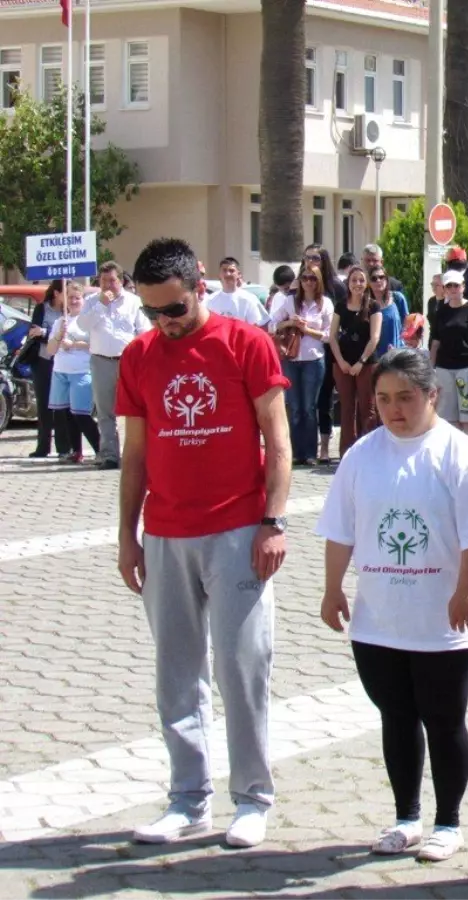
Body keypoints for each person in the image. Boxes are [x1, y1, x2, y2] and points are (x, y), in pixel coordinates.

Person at [115, 237, 291, 849]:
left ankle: (252, 798)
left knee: (242, 667)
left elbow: (280, 440)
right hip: (165, 534)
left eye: (173, 309)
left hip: (239, 530)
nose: (164, 323)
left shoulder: (247, 344)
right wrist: (127, 539)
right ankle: (188, 799)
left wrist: (274, 523)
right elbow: (134, 456)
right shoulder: (138, 357)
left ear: (199, 287)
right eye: (152, 312)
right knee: (177, 672)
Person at [317, 348, 468, 862]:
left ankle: (448, 822)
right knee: (396, 717)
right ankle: (406, 817)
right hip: (378, 621)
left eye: (405, 398)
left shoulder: (460, 455)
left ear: (432, 395)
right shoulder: (361, 455)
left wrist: (464, 589)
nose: (393, 409)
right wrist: (332, 588)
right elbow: (340, 530)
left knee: (444, 718)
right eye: (383, 398)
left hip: (442, 620)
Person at [76, 261, 150, 469]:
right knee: (105, 411)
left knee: (136, 409)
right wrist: (101, 305)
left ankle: (139, 454)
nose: (108, 285)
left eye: (112, 280)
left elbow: (143, 331)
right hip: (101, 361)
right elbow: (82, 326)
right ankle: (109, 455)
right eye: (104, 281)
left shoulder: (134, 302)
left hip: (128, 362)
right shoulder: (92, 302)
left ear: (121, 280)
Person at [270, 265, 334, 465]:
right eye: (305, 278)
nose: (308, 282)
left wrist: (306, 329)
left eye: (313, 278)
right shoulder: (290, 302)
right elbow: (272, 324)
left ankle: (310, 453)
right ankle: (296, 453)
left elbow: (328, 335)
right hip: (292, 359)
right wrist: (290, 323)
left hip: (313, 360)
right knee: (295, 407)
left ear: (319, 282)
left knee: (309, 407)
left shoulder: (325, 304)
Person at [329, 266, 383, 455]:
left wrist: (361, 361)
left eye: (361, 280)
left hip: (366, 364)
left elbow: (374, 337)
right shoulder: (341, 305)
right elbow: (332, 336)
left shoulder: (374, 306)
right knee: (346, 409)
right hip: (343, 364)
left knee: (368, 409)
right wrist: (341, 361)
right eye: (354, 280)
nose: (357, 284)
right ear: (348, 283)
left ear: (366, 283)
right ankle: (346, 453)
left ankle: (370, 452)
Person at [46, 282, 101, 463]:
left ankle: (101, 449)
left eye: (77, 297)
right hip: (60, 371)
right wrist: (58, 336)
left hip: (81, 371)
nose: (74, 301)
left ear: (83, 299)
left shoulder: (87, 321)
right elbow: (50, 350)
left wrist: (75, 345)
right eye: (70, 297)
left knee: (81, 414)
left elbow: (96, 345)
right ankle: (76, 451)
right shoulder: (60, 321)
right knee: (66, 413)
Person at [429, 269, 468, 439]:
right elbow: (435, 342)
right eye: (449, 286)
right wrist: (431, 369)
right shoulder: (441, 312)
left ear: (463, 287)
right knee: (448, 416)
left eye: (456, 285)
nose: (453, 289)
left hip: (467, 368)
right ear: (444, 289)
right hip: (444, 369)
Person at [304, 245, 347, 463]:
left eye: (315, 257)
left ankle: (324, 447)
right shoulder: (300, 284)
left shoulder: (336, 287)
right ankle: (306, 446)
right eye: (307, 257)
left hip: (329, 350)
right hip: (303, 353)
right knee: (305, 401)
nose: (311, 261)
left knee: (325, 398)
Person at [27, 280, 70, 459]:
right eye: (66, 293)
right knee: (44, 406)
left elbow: (66, 335)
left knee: (61, 406)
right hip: (43, 362)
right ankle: (43, 446)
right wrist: (50, 334)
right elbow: (34, 333)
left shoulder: (69, 312)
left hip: (63, 363)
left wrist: (46, 333)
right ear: (56, 293)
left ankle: (63, 447)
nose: (70, 298)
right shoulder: (42, 309)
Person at [207, 257, 269, 326]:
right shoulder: (210, 300)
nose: (228, 274)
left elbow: (258, 326)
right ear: (219, 275)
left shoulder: (249, 299)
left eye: (231, 271)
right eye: (224, 270)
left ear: (238, 274)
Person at [368, 266, 403, 358]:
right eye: (374, 279)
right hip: (375, 358)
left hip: (396, 355)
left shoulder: (397, 298)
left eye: (381, 277)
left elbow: (406, 325)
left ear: (387, 279)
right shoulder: (367, 305)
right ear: (369, 283)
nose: (378, 281)